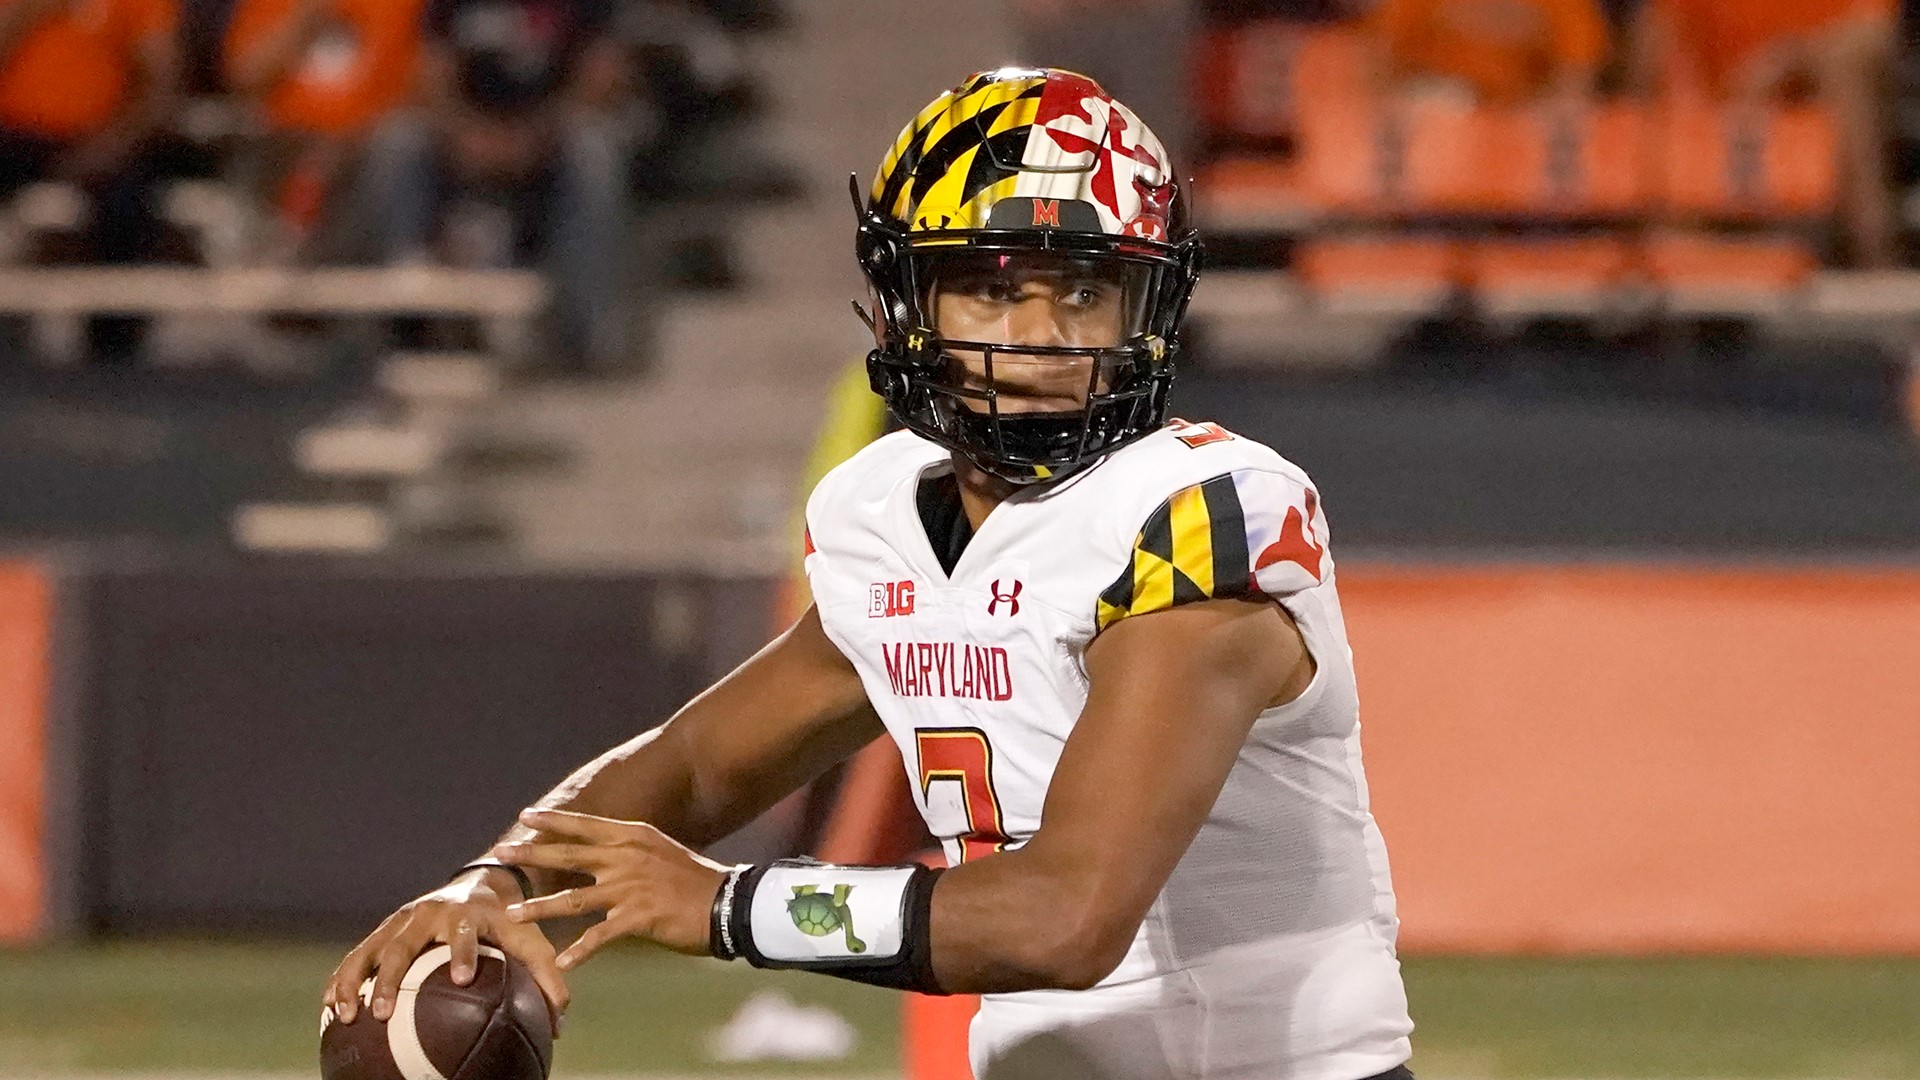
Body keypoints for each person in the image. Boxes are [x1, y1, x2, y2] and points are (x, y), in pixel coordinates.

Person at [324, 68, 1415, 1080]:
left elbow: (1067, 919)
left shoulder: (1203, 518)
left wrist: (726, 907)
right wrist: (493, 883)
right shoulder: (885, 509)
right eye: (993, 291)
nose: (1041, 336)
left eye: (1082, 293)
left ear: (1149, 310)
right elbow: (701, 764)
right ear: (910, 305)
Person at [354, 0, 639, 369]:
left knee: (593, 148)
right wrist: (466, 133)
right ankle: (409, 306)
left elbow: (604, 76)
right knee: (398, 140)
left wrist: (536, 135)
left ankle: (584, 331)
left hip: (551, 138)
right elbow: (430, 74)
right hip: (465, 136)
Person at [1634, 0, 1897, 266]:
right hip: (1721, 103)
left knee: (1846, 64)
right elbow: (1669, 37)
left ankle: (1872, 253)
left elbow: (1873, 24)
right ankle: (1673, 266)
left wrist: (1795, 54)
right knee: (1672, 105)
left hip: (1816, 83)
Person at [0, 0, 183, 362]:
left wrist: (109, 146)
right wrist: (25, 16)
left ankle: (112, 349)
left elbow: (161, 86)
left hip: (102, 137)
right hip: (12, 135)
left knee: (129, 203)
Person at [222, 0, 425, 255]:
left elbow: (418, 87)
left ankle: (401, 266)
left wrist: (344, 141)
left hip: (362, 151)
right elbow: (244, 80)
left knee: (403, 141)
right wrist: (305, 21)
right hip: (280, 146)